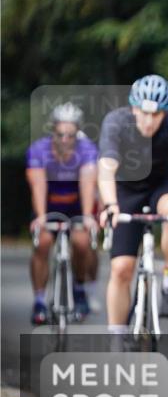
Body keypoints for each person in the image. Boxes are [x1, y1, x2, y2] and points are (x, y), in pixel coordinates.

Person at [98, 75, 168, 340]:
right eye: (143, 113)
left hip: (161, 185)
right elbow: (106, 168)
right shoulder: (117, 122)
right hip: (125, 190)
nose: (149, 121)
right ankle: (116, 339)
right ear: (133, 108)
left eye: (156, 115)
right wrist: (110, 205)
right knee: (121, 269)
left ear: (165, 113)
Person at [25, 103, 100, 324]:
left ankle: (78, 288)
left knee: (82, 242)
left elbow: (88, 182)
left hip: (76, 206)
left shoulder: (87, 150)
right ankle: (39, 300)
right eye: (60, 135)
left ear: (77, 133)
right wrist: (40, 216)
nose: (65, 140)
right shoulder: (39, 150)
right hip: (48, 206)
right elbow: (38, 184)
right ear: (53, 131)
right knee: (43, 243)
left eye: (70, 135)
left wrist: (87, 215)